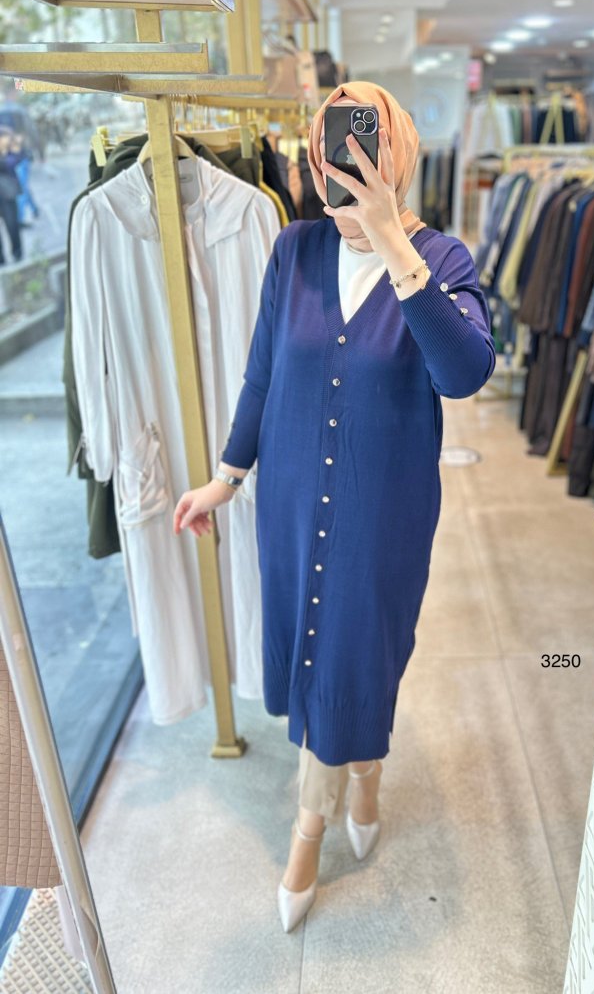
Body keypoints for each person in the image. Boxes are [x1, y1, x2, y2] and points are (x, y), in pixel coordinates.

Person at [172, 82, 496, 933]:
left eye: (360, 145)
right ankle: (361, 775)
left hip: (381, 515)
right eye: (326, 149)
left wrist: (390, 234)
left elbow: (463, 373)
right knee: (318, 660)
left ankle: (312, 824)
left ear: (396, 153)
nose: (338, 165)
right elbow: (262, 373)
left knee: (360, 656)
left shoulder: (443, 260)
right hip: (288, 502)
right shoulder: (295, 249)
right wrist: (226, 476)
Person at [0, 127, 22, 265]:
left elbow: (14, 162)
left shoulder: (9, 151)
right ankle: (1, 258)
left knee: (12, 225)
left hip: (8, 194)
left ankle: (17, 252)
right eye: (6, 137)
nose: (9, 140)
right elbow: (6, 164)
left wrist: (14, 151)